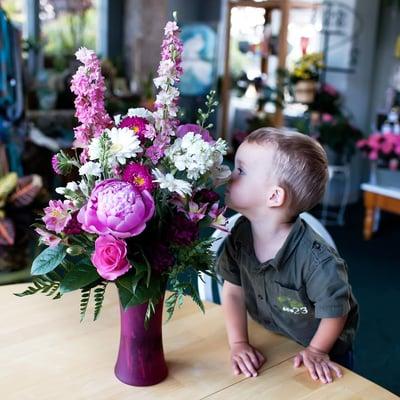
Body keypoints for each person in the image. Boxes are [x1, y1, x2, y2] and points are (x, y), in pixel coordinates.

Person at [217, 127, 359, 384]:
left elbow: (336, 312)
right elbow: (233, 291)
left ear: (273, 196)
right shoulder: (240, 233)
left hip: (323, 349)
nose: (229, 176)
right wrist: (238, 342)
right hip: (275, 336)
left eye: (241, 170)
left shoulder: (318, 261)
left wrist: (317, 350)